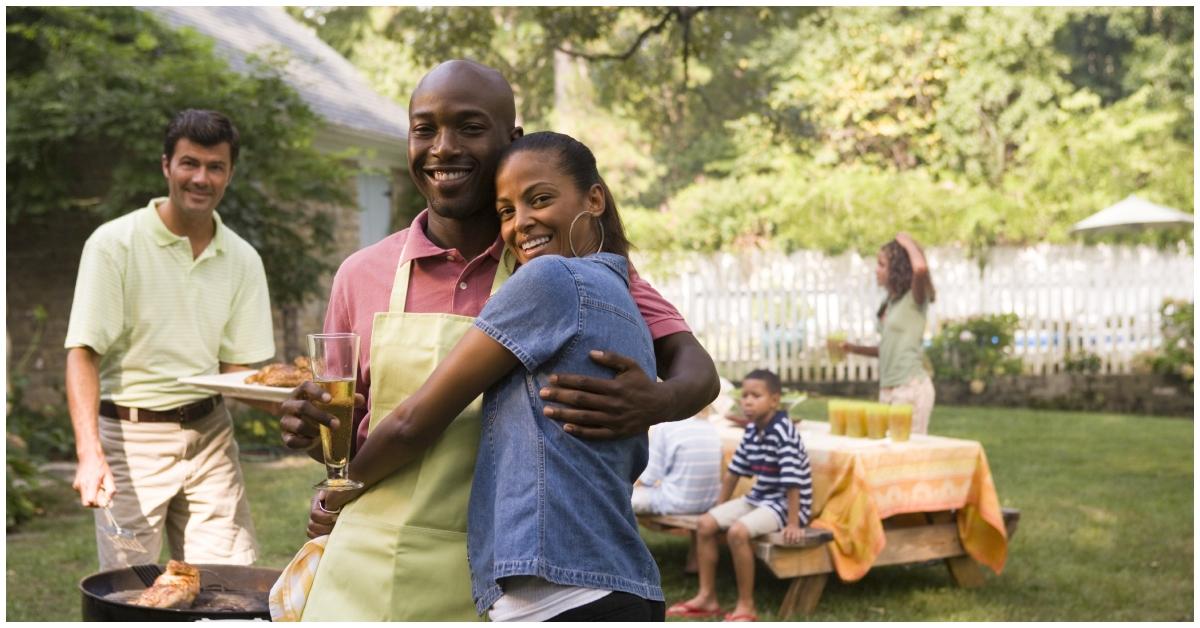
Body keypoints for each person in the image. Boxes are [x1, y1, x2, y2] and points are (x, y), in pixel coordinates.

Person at [279, 60, 718, 620]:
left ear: (511, 140)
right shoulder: (361, 274)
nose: (442, 147)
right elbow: (350, 435)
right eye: (424, 128)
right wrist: (314, 435)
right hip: (367, 569)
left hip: (501, 576)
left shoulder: (560, 264)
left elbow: (698, 372)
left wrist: (657, 400)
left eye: (469, 126)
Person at [64, 109, 275, 569]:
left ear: (229, 174)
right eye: (189, 164)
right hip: (129, 440)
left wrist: (305, 398)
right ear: (166, 167)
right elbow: (83, 353)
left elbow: (240, 373)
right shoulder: (113, 245)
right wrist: (89, 454)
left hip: (210, 436)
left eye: (215, 167)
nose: (201, 178)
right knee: (130, 595)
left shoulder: (242, 258)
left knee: (226, 588)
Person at [668, 369, 813, 622]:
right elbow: (734, 472)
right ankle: (707, 598)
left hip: (785, 505)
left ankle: (746, 606)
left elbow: (793, 483)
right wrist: (718, 509)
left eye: (756, 396)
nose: (747, 401)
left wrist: (793, 523)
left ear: (775, 400)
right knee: (705, 523)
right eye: (745, 395)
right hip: (759, 498)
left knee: (738, 532)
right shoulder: (752, 429)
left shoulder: (783, 432)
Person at [831, 232, 937, 433]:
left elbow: (920, 269)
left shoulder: (915, 298)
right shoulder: (891, 303)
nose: (875, 270)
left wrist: (908, 243)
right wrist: (852, 348)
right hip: (888, 388)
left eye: (881, 264)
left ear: (897, 269)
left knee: (907, 455)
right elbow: (887, 349)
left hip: (910, 387)